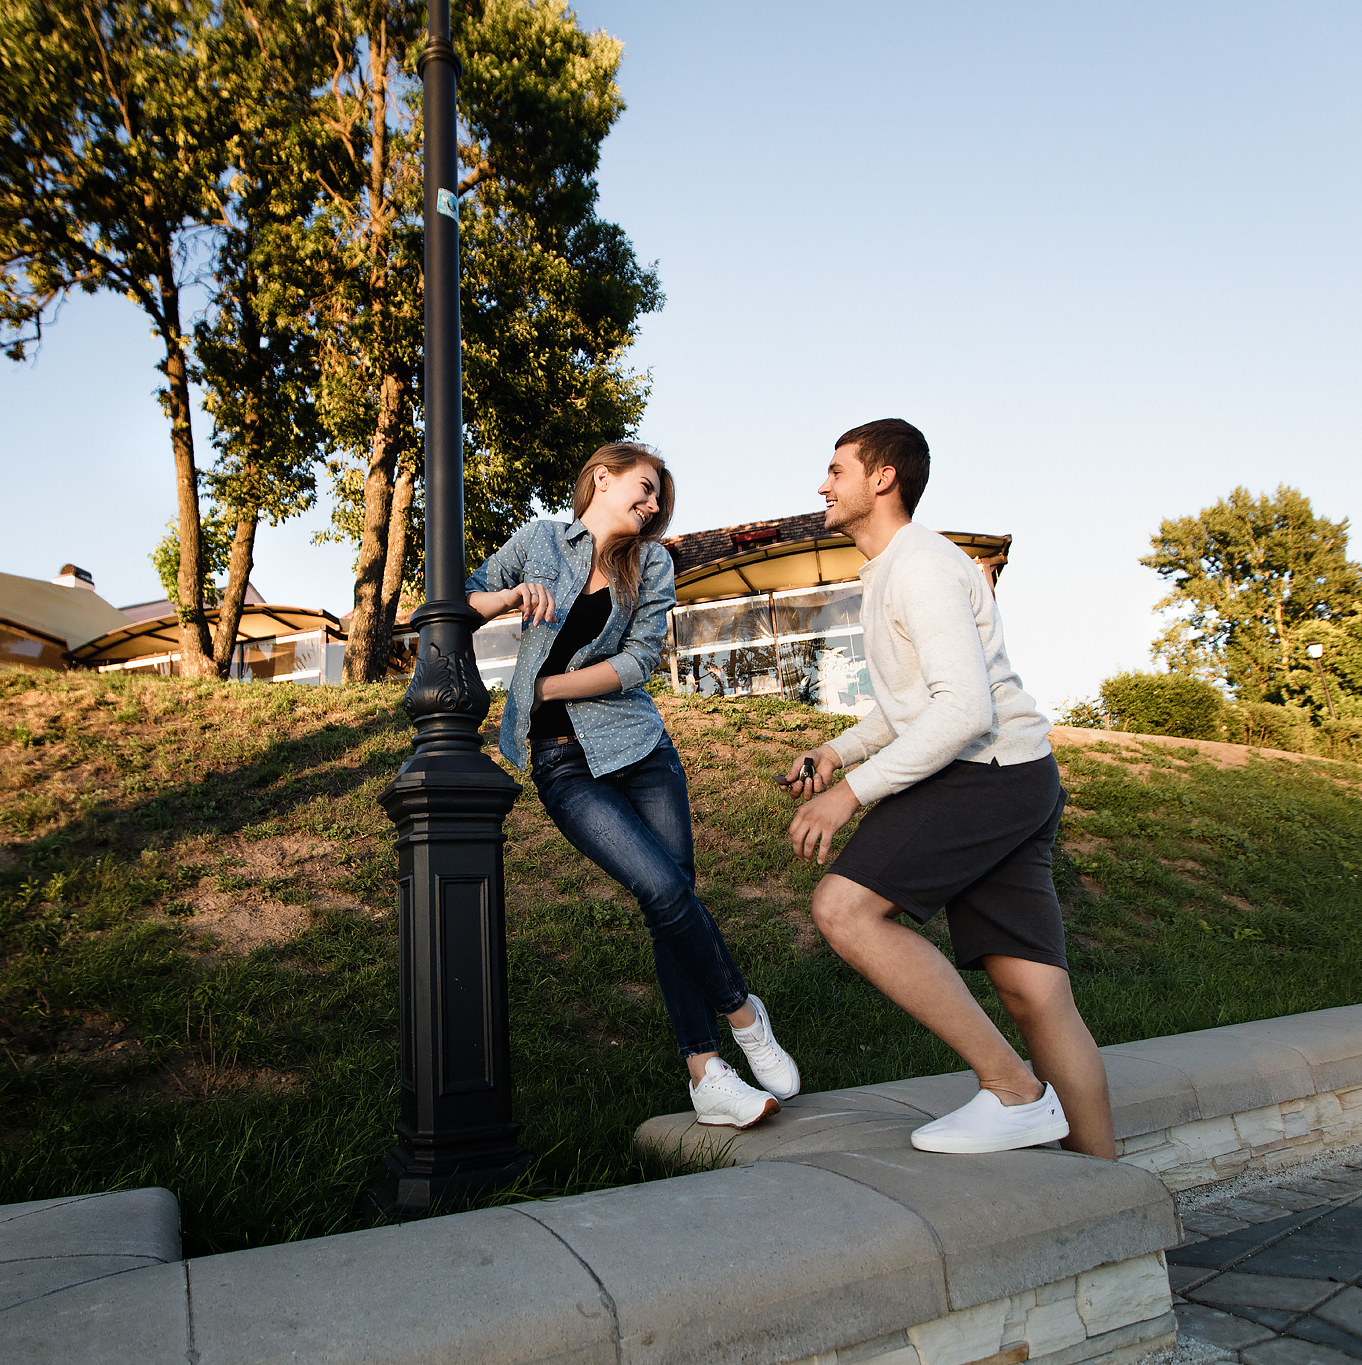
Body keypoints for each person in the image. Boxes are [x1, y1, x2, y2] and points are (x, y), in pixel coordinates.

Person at [780, 419, 1115, 1158]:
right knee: (1037, 996)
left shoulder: (920, 566)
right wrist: (837, 751)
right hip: (1020, 775)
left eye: (836, 469)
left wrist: (850, 794)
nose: (822, 484)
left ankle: (1013, 1089)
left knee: (845, 908)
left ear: (882, 478)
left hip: (986, 773)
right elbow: (916, 702)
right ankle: (1110, 1196)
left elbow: (963, 710)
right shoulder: (898, 569)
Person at [466, 443, 800, 1130]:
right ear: (602, 478)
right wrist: (508, 596)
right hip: (562, 762)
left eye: (658, 501)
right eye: (644, 490)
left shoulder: (650, 563)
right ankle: (744, 1012)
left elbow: (639, 659)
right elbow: (460, 600)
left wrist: (545, 685)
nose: (652, 506)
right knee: (661, 888)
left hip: (641, 747)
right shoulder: (538, 541)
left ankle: (706, 1075)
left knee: (671, 898)